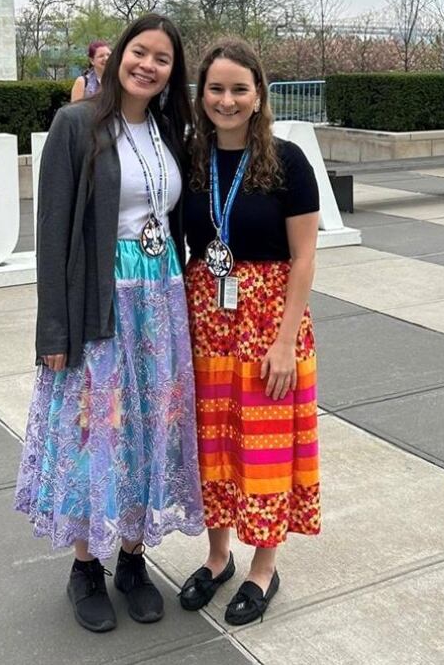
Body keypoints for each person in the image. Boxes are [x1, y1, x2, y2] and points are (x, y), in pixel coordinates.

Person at [14, 14, 205, 634]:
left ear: (173, 73)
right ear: (118, 55)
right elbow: (53, 234)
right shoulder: (77, 125)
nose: (148, 65)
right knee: (96, 430)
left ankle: (131, 559)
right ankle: (86, 568)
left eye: (163, 59)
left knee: (148, 430)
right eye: (140, 52)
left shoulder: (170, 129)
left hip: (162, 299)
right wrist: (54, 334)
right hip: (102, 303)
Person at [179, 39, 321, 626]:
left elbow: (305, 256)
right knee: (212, 447)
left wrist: (285, 341)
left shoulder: (286, 160)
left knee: (265, 451)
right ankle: (218, 558)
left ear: (259, 93)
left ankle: (264, 565)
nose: (227, 100)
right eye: (216, 88)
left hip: (269, 323)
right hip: (205, 319)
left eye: (239, 88)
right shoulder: (189, 157)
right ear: (201, 95)